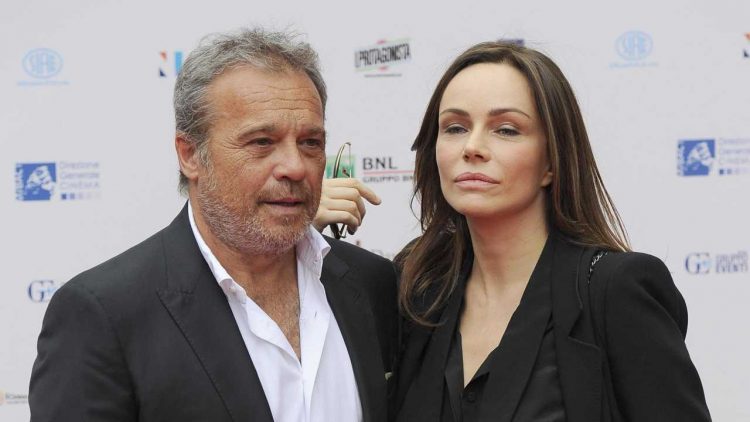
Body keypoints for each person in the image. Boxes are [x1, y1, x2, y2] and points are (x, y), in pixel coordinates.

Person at [316, 41, 711, 421]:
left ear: (551, 162)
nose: (472, 147)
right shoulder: (417, 286)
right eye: (455, 127)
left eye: (506, 129)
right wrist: (299, 223)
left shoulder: (615, 291)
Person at [29, 28, 398, 422]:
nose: (294, 166)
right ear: (190, 155)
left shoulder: (371, 283)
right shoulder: (104, 314)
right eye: (262, 142)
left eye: (310, 142)